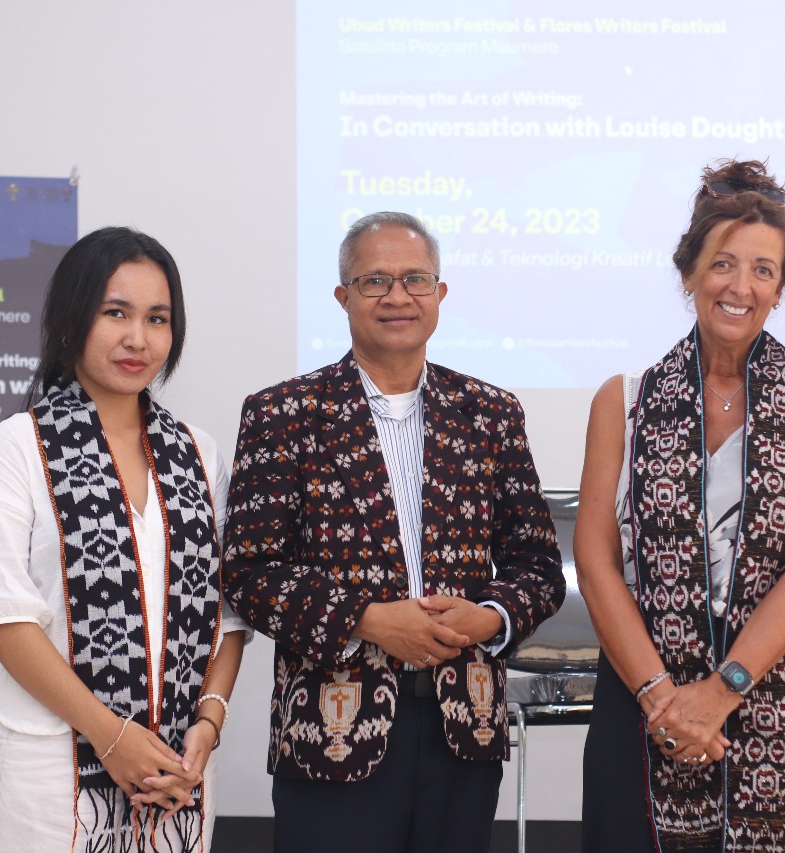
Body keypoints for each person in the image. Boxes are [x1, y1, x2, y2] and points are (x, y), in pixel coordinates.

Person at [222, 211, 565, 852]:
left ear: (440, 292)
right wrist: (368, 620)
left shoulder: (490, 413)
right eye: (375, 280)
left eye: (415, 279)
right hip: (330, 729)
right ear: (343, 296)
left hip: (465, 728)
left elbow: (538, 565)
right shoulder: (282, 413)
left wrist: (488, 618)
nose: (397, 296)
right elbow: (248, 573)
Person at [575, 160, 785, 851]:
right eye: (722, 264)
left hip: (774, 694)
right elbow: (596, 560)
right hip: (640, 689)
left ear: (780, 290)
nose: (741, 286)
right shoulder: (624, 399)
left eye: (763, 270)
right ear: (688, 274)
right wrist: (661, 698)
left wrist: (719, 693)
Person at [0, 226, 247, 852]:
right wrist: (112, 737)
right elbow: (3, 616)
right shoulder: (18, 447)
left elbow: (227, 614)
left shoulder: (198, 453)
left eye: (157, 318)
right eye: (115, 312)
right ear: (71, 321)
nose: (138, 338)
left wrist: (208, 723)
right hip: (50, 777)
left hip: (176, 773)